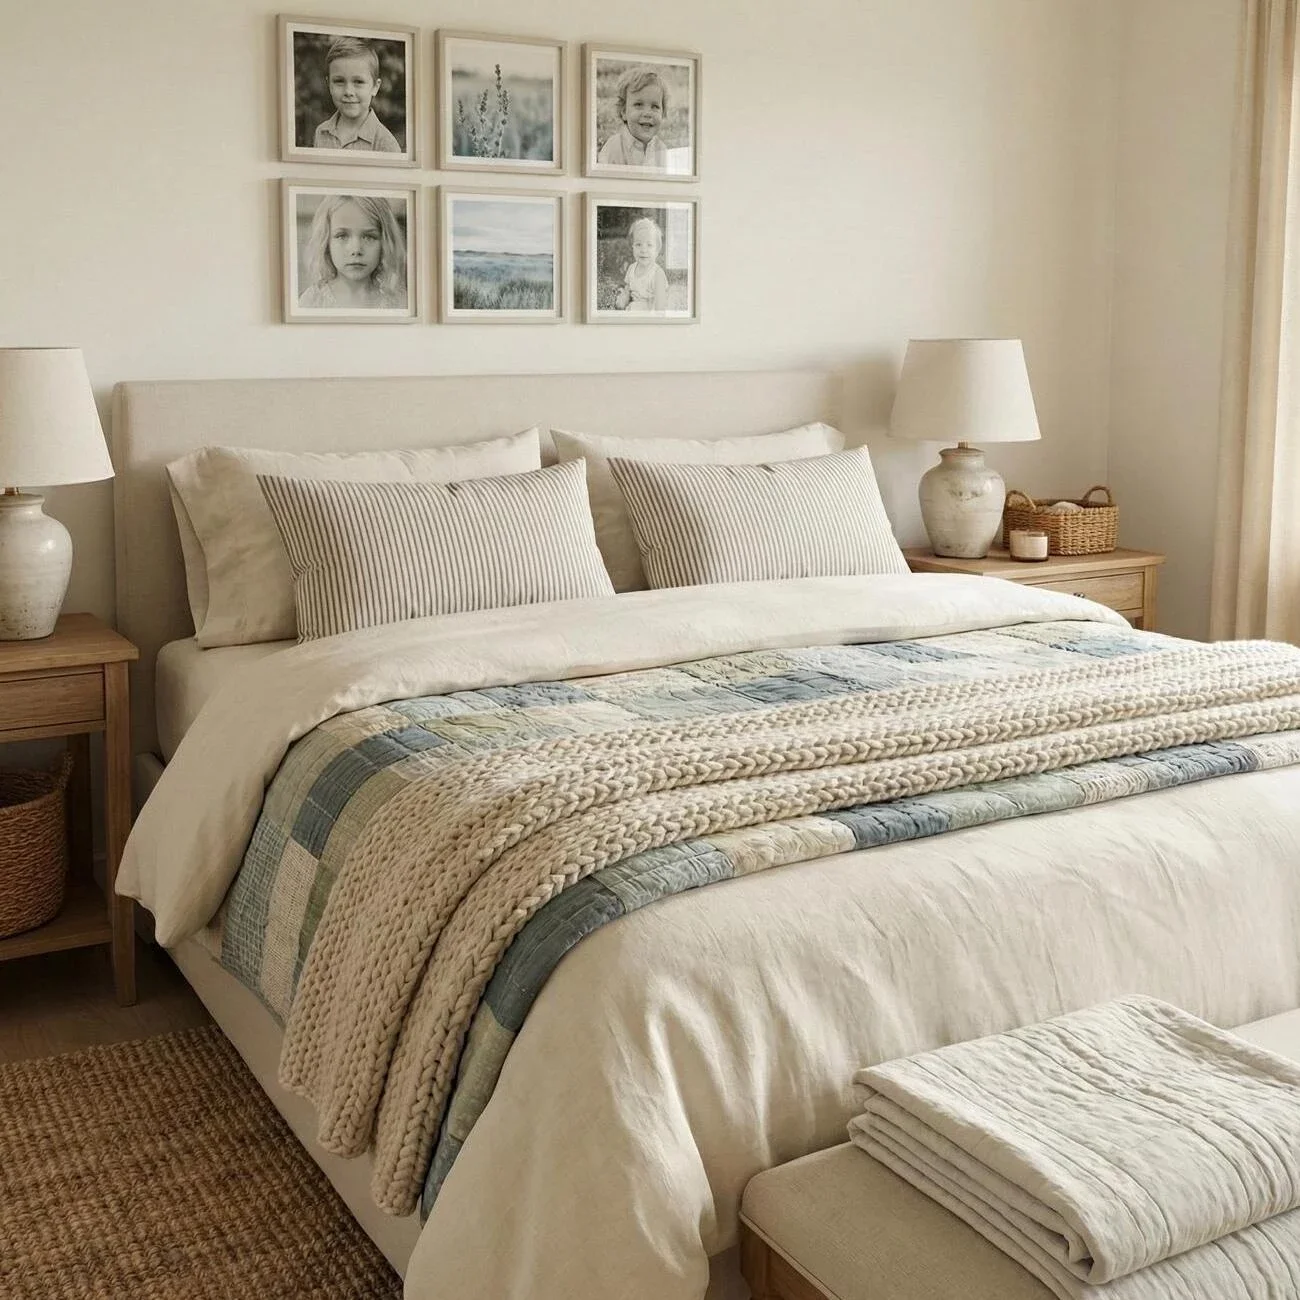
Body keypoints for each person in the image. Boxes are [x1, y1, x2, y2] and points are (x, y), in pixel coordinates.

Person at [298, 195, 407, 309]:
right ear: (326, 243)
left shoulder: (398, 302)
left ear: (385, 243)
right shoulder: (312, 301)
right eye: (342, 236)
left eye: (369, 237)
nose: (356, 250)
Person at [312, 36, 402, 153]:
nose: (348, 92)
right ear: (328, 84)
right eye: (339, 81)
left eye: (358, 82)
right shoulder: (321, 132)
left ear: (375, 87)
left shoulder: (385, 144)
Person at [597, 66, 668, 169]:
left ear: (662, 113)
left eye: (655, 106)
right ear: (624, 112)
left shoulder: (661, 150)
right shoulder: (614, 147)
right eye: (639, 105)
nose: (647, 113)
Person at [613, 217, 669, 313]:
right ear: (632, 247)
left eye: (649, 245)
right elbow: (628, 289)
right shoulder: (631, 268)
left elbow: (660, 308)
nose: (643, 250)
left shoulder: (657, 274)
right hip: (632, 311)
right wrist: (623, 298)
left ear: (657, 250)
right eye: (638, 244)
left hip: (648, 316)